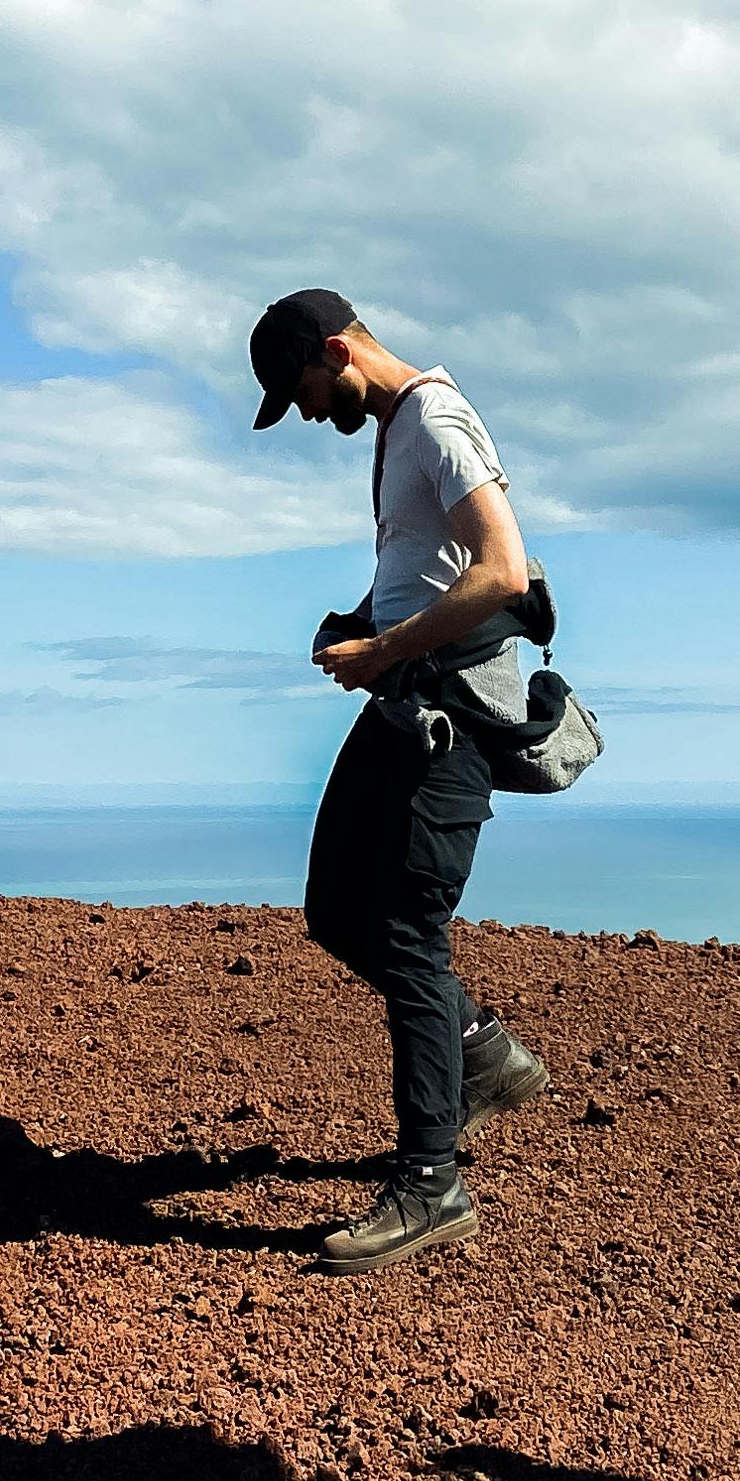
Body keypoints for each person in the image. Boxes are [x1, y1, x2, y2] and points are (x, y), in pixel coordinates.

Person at [247, 287, 551, 1272]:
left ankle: (431, 1187)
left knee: (410, 936)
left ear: (338, 352)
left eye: (301, 389)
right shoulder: (398, 429)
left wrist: (384, 650)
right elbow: (433, 565)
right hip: (405, 699)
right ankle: (482, 1053)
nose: (305, 413)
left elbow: (502, 570)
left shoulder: (436, 419)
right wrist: (365, 621)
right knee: (337, 908)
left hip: (448, 714)